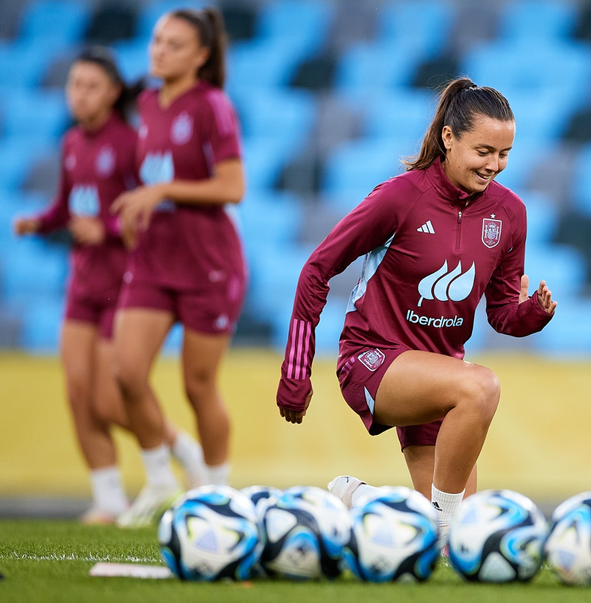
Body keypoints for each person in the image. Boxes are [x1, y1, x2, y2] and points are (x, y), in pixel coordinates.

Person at [276, 78, 557, 537]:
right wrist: (296, 369)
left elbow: (503, 314)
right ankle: (440, 520)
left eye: (504, 154)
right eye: (483, 151)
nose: (494, 166)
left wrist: (535, 313)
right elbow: (316, 270)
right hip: (372, 361)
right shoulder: (399, 197)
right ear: (449, 138)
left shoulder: (511, 214)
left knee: (462, 541)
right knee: (482, 388)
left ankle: (361, 499)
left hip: (440, 380)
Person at [12, 47, 205, 525]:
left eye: (91, 86)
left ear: (114, 92)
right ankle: (108, 497)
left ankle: (180, 446)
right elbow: (67, 205)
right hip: (82, 284)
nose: (79, 95)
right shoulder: (72, 143)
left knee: (107, 396)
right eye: (74, 85)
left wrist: (109, 230)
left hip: (124, 284)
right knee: (77, 392)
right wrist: (39, 223)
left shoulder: (129, 144)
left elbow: (152, 207)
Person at [111, 7, 247, 528]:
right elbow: (140, 175)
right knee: (125, 374)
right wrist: (131, 207)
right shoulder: (143, 103)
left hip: (208, 265)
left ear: (201, 56)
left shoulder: (213, 106)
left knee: (198, 386)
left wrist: (163, 191)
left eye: (172, 44)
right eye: (156, 40)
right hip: (151, 260)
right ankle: (161, 479)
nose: (158, 50)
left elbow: (232, 188)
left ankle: (217, 496)